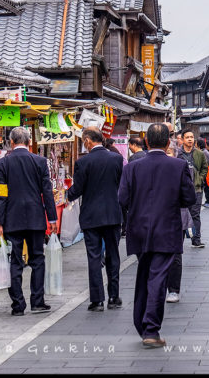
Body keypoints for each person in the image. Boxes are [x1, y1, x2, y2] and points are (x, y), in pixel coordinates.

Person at [118, 123, 195, 348]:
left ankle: (142, 324)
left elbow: (122, 199)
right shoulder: (178, 166)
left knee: (144, 274)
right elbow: (189, 198)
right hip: (167, 229)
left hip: (139, 229)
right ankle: (150, 329)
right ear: (169, 142)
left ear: (147, 142)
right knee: (158, 278)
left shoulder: (131, 168)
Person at [0, 126, 58, 316]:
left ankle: (18, 305)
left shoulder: (2, 164)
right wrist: (52, 217)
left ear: (11, 142)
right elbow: (47, 191)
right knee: (37, 258)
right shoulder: (40, 161)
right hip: (36, 218)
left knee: (15, 261)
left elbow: (1, 196)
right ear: (29, 142)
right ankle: (37, 301)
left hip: (12, 219)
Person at [66, 127, 124, 312]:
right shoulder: (116, 159)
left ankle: (97, 300)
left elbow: (77, 190)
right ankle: (114, 297)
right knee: (113, 255)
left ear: (88, 141)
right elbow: (121, 186)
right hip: (113, 214)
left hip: (91, 216)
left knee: (94, 257)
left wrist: (66, 194)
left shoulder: (83, 162)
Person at [175, 129, 208, 249]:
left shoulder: (199, 154)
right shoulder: (177, 154)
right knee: (181, 214)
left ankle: (196, 239)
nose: (190, 139)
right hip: (181, 190)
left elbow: (205, 168)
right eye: (187, 137)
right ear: (182, 139)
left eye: (192, 137)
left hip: (196, 189)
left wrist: (200, 178)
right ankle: (180, 240)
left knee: (195, 214)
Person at [197, 138, 209, 207]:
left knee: (207, 188)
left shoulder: (203, 152)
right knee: (207, 188)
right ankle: (208, 201)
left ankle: (208, 201)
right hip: (207, 172)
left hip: (208, 172)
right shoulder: (204, 151)